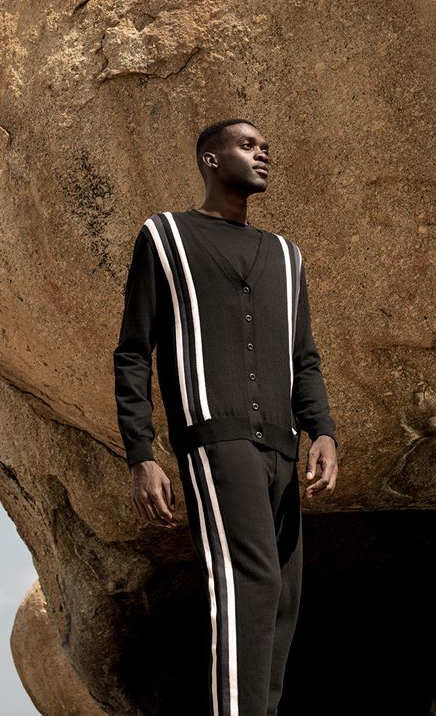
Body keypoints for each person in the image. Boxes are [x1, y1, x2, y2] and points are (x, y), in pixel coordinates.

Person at [113, 118, 338, 716]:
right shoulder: (164, 238)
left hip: (283, 445)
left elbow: (304, 357)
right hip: (216, 440)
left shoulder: (287, 257)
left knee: (284, 598)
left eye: (266, 147)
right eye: (247, 145)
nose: (263, 154)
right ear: (211, 161)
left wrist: (324, 431)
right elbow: (134, 351)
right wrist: (142, 454)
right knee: (250, 584)